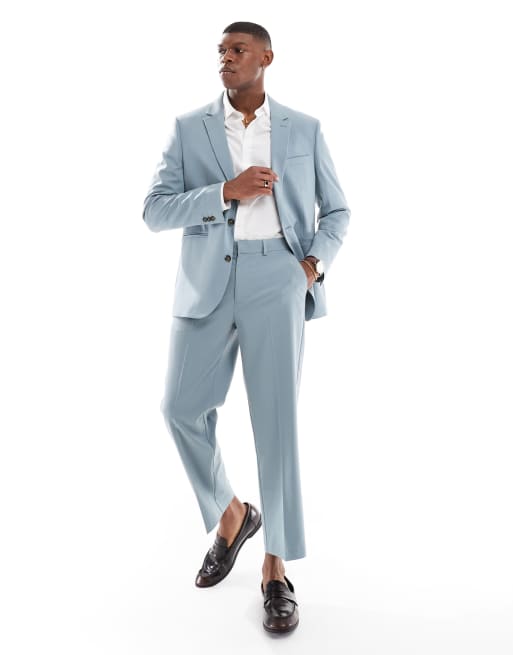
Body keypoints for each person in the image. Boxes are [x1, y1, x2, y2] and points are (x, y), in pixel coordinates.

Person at [142, 21, 351, 634]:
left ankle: (275, 570)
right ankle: (233, 515)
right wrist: (224, 193)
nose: (226, 59)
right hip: (207, 281)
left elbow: (337, 211)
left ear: (266, 58)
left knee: (276, 425)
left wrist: (308, 268)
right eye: (221, 51)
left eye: (238, 50)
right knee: (180, 408)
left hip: (276, 279)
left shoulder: (303, 129)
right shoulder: (189, 128)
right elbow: (154, 210)